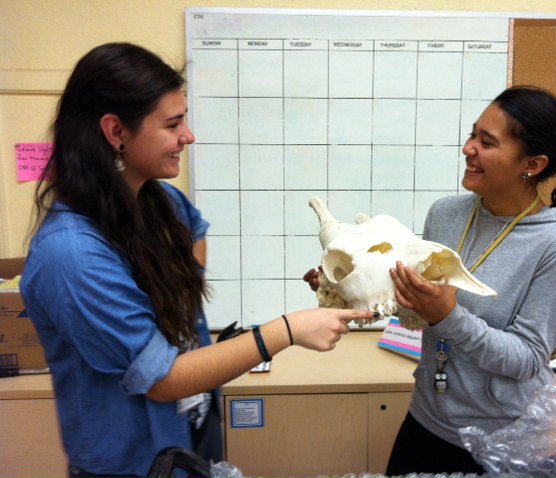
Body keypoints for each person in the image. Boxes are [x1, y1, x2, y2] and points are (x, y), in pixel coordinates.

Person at [20, 42, 376, 478]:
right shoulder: (69, 254)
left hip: (188, 435)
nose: (188, 137)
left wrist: (174, 298)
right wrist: (285, 331)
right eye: (172, 125)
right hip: (130, 463)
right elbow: (164, 380)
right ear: (116, 132)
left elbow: (196, 231)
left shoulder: (160, 200)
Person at [304, 85, 556, 475]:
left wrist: (448, 316)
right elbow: (414, 307)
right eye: (472, 134)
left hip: (505, 439)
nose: (468, 148)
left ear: (533, 164)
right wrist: (348, 287)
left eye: (487, 142)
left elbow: (527, 359)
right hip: (428, 418)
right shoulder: (446, 214)